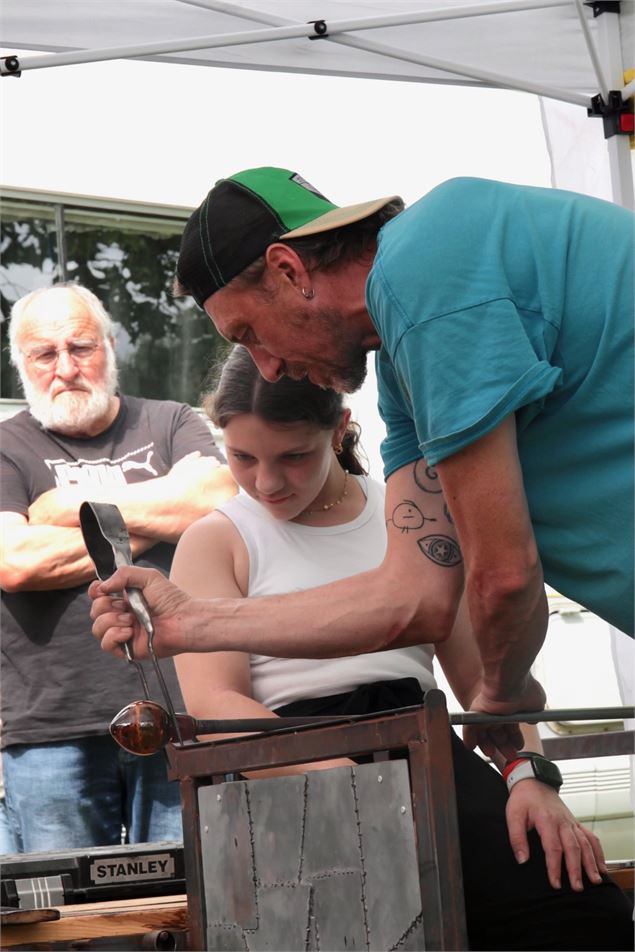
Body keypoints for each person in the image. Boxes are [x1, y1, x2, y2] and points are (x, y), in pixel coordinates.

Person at [90, 168, 634, 759]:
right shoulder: (406, 369)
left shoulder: (428, 266)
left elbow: (504, 575)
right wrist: (185, 623)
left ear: (289, 270)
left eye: (249, 331)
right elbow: (414, 598)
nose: (266, 368)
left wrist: (501, 695)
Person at [167, 345, 632, 951]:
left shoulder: (407, 515)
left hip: (421, 745)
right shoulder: (216, 539)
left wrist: (530, 777)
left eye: (294, 456)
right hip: (284, 759)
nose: (267, 482)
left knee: (578, 909)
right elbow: (215, 708)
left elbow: (488, 681)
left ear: (340, 430)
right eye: (243, 457)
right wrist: (342, 773)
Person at [0, 283, 236, 853]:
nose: (65, 367)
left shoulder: (172, 421)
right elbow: (13, 561)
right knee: (68, 920)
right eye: (44, 354)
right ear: (21, 367)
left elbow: (220, 499)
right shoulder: (6, 448)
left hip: (183, 709)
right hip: (51, 724)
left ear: (111, 347)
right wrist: (162, 516)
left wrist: (65, 514)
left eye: (81, 347)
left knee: (191, 901)